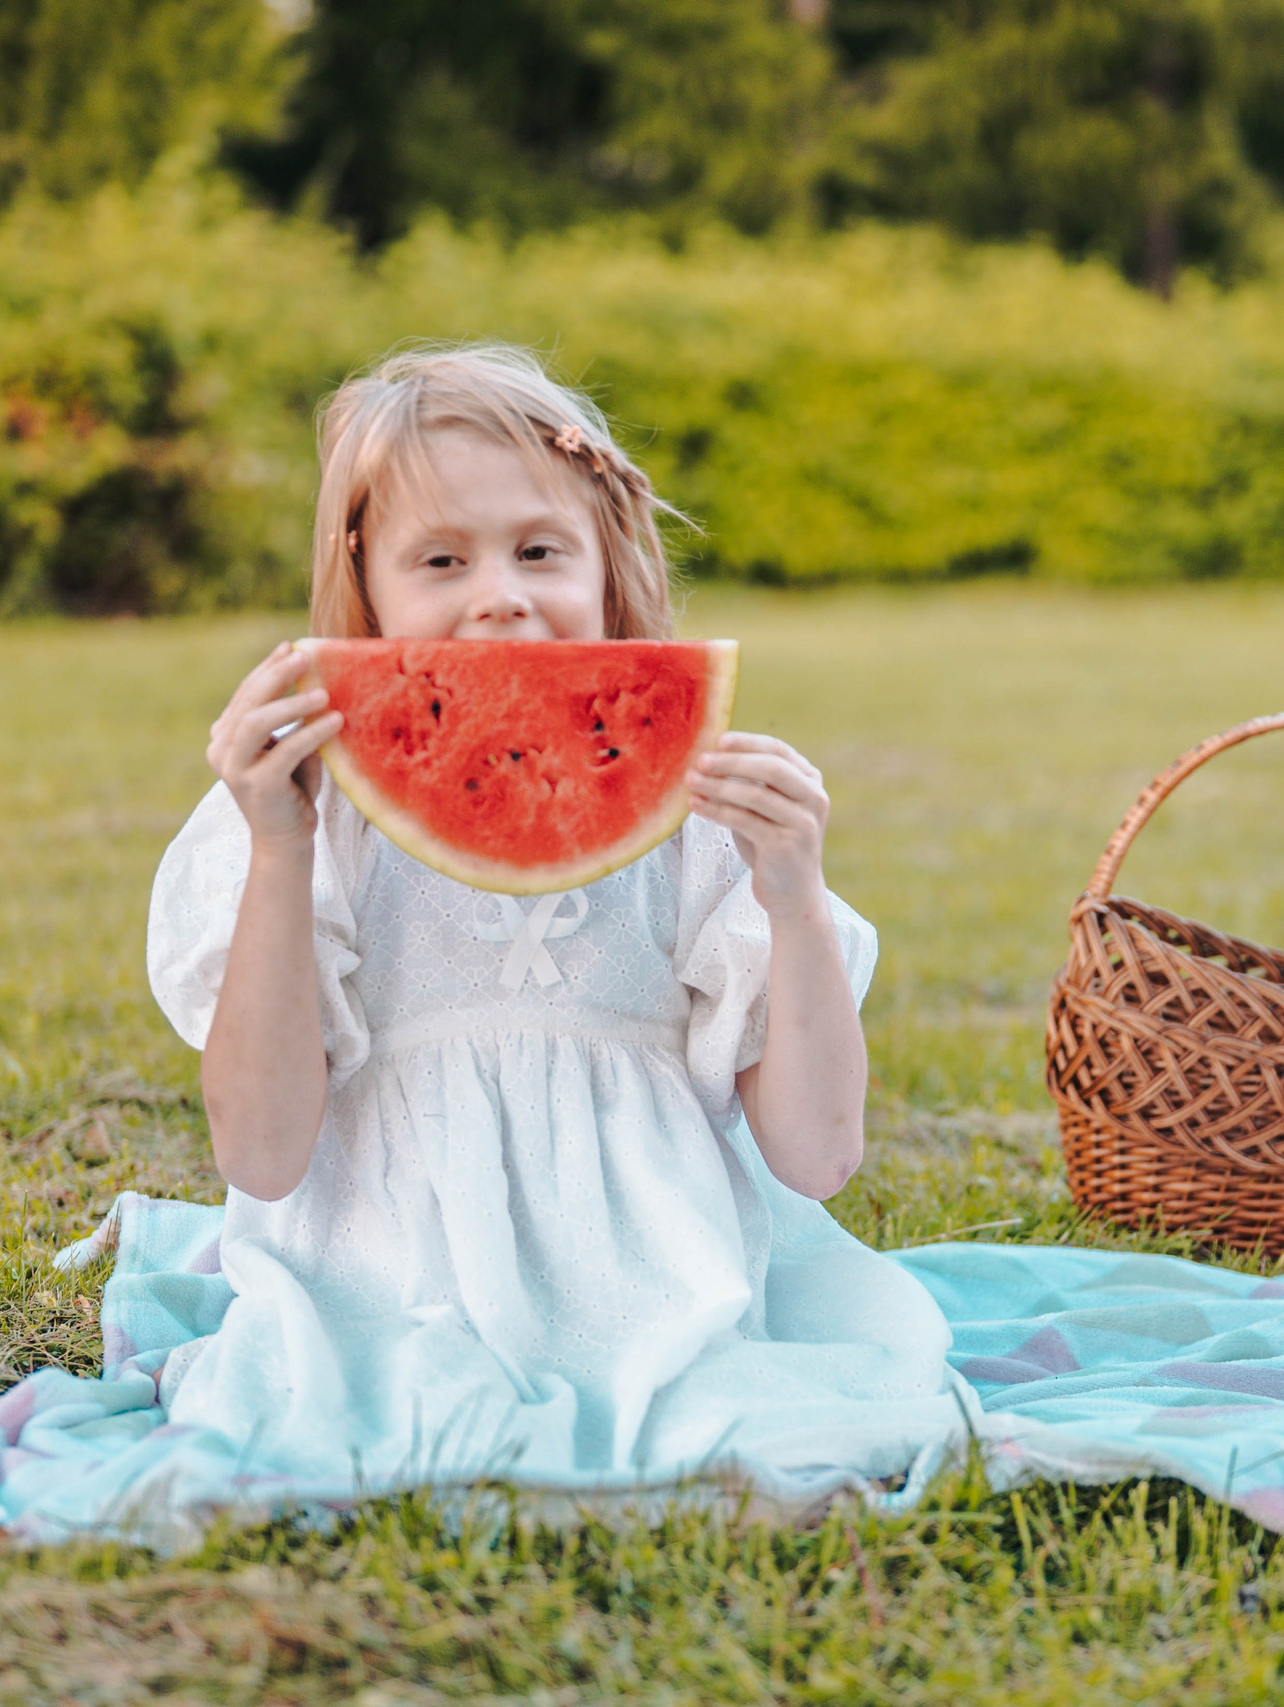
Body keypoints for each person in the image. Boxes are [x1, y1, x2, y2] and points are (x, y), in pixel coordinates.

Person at [140, 341, 962, 1502]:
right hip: (385, 1286)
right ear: (362, 585)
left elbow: (818, 1158)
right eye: (441, 558)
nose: (501, 593)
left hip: (656, 1290)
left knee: (751, 1428)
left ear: (609, 566)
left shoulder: (701, 817)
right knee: (368, 1411)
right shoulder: (301, 825)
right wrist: (278, 847)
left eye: (540, 550)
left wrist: (792, 902)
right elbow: (262, 1155)